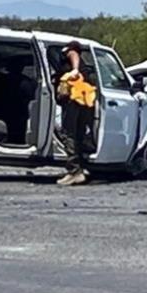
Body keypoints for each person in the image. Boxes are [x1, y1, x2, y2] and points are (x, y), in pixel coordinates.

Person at [55, 41, 97, 186]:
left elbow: (73, 55)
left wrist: (74, 70)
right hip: (82, 102)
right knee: (79, 134)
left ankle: (74, 172)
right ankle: (81, 168)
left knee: (68, 134)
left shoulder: (72, 56)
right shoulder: (85, 69)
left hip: (72, 101)